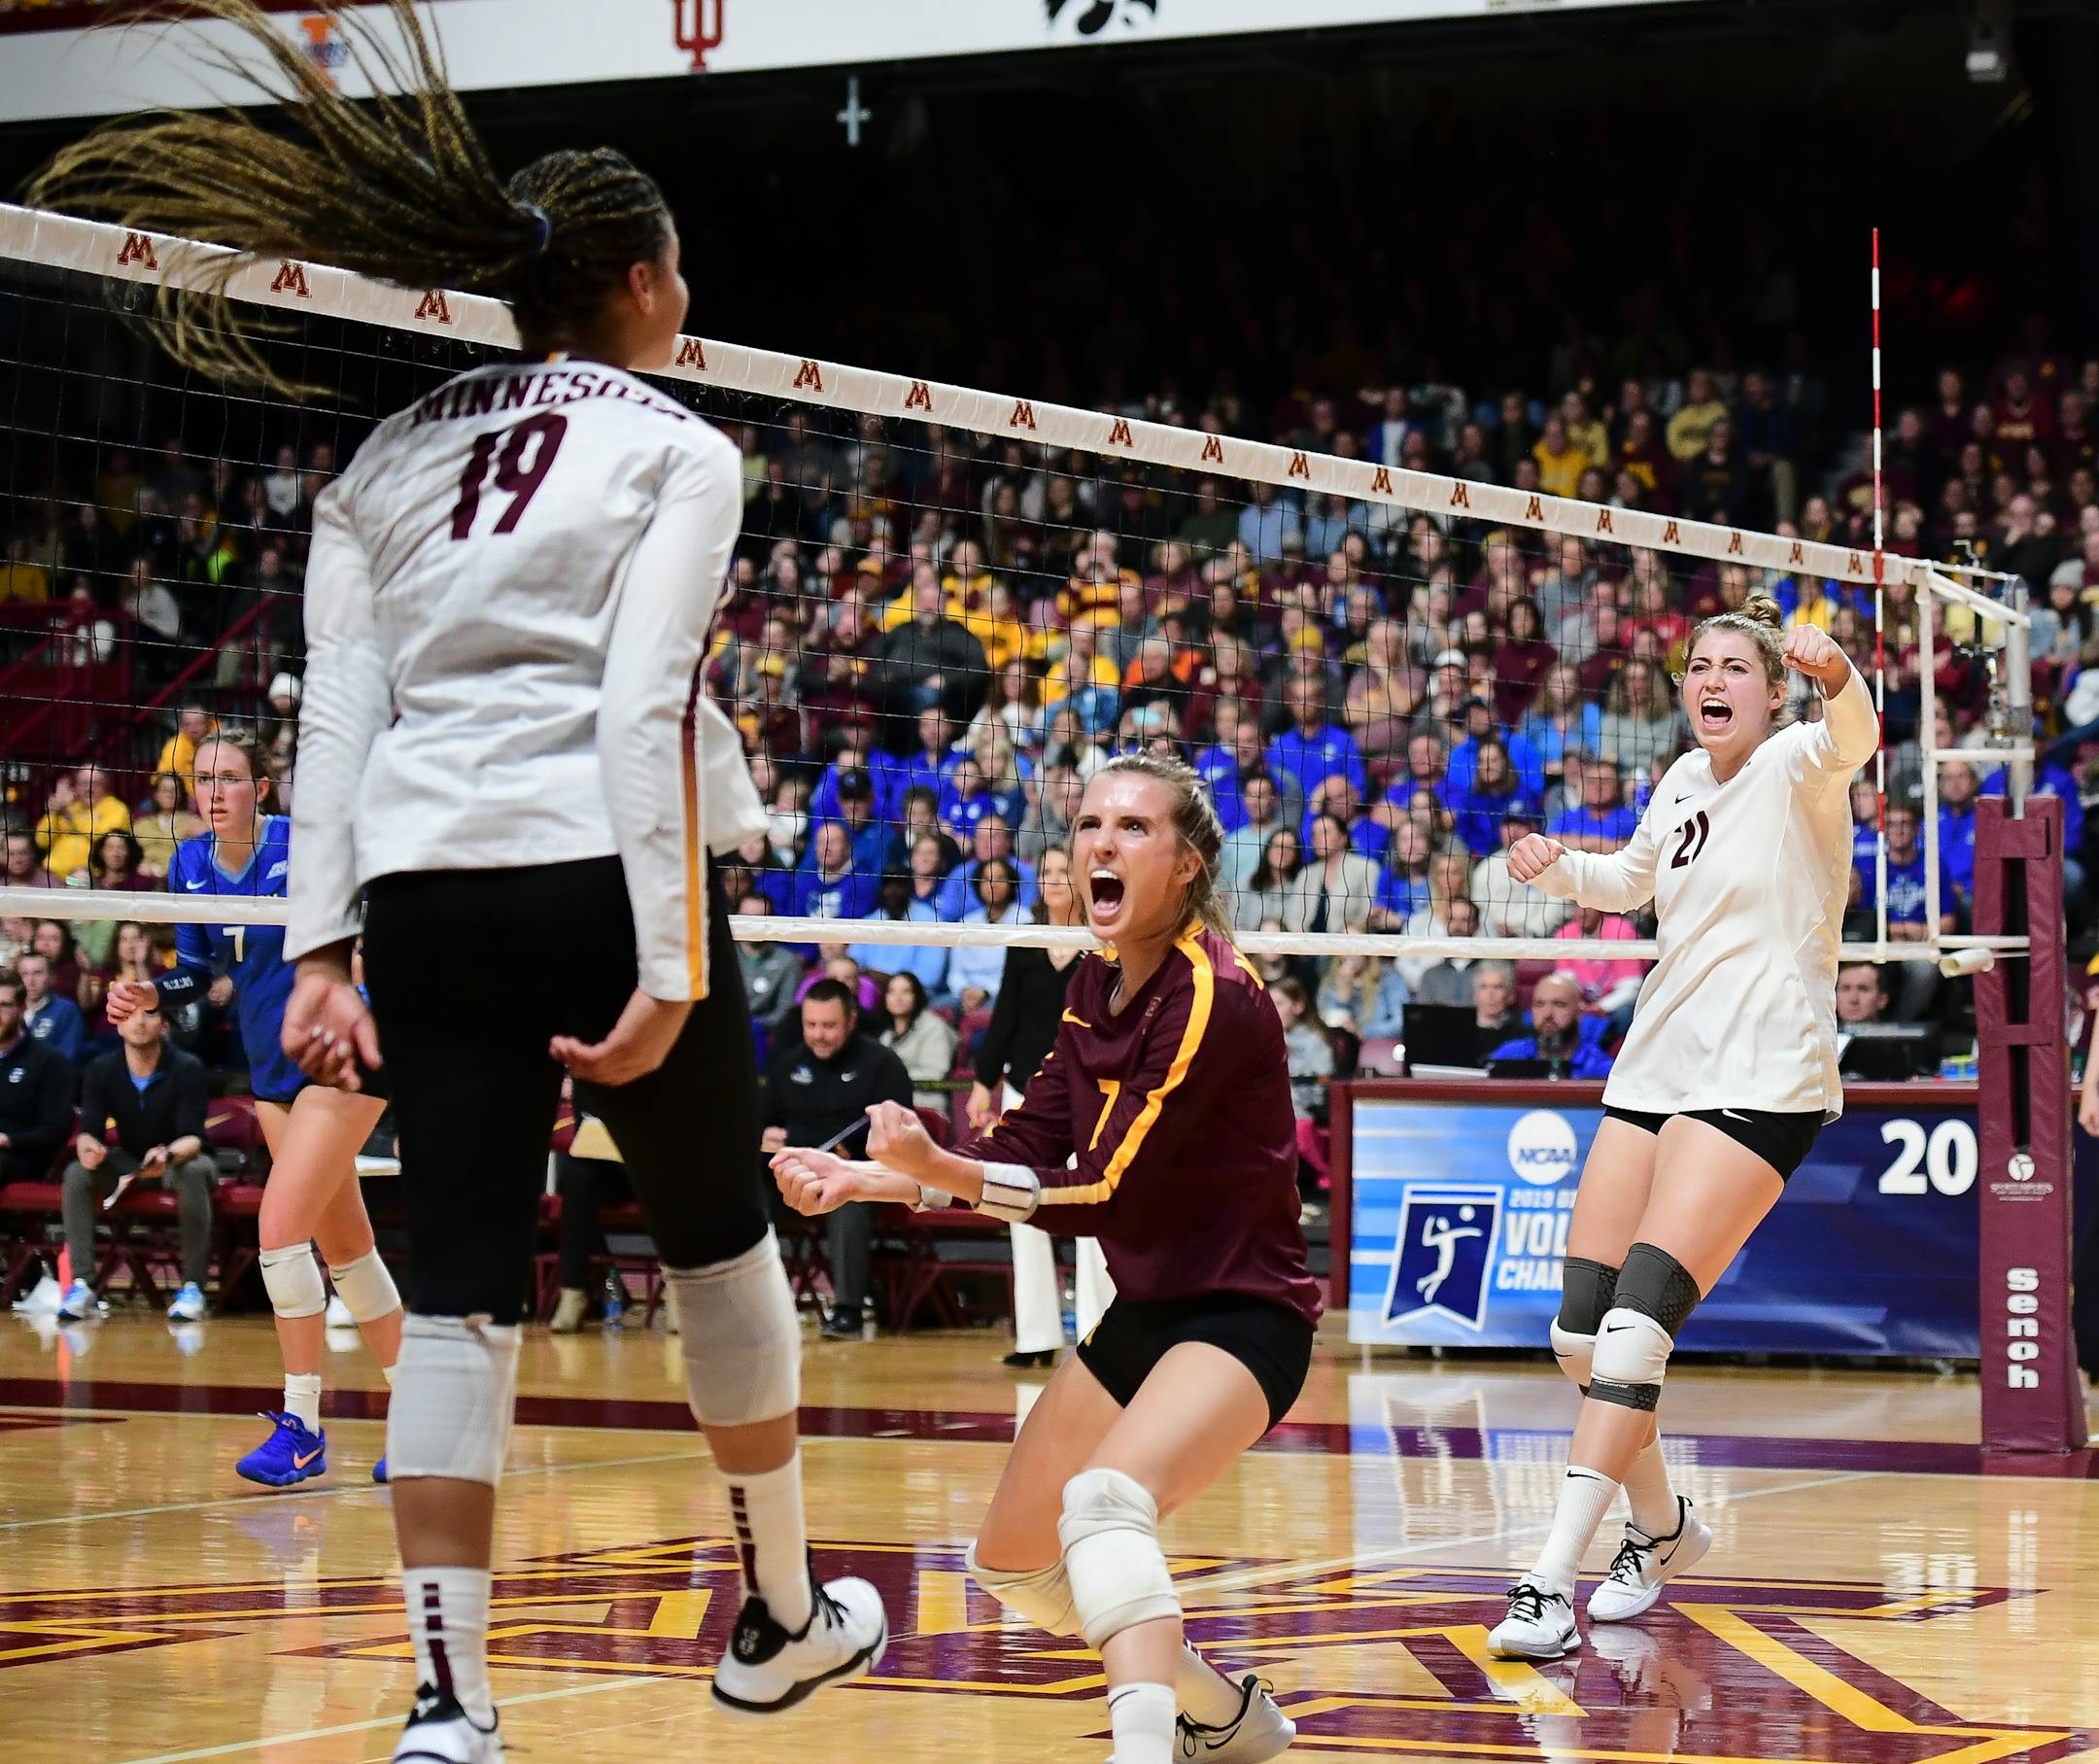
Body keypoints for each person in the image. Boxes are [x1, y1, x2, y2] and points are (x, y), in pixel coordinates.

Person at [39, 8, 886, 1747]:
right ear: (644, 286)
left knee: (464, 1297)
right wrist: (667, 963)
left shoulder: (390, 457)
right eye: (679, 268)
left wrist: (317, 951)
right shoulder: (679, 445)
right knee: (722, 1256)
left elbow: (338, 707)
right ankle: (782, 1616)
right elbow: (643, 704)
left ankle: (448, 1707)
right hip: (600, 876)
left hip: (425, 893)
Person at [773, 754, 1317, 1764]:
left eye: (1134, 828)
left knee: (1105, 1504)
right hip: (1146, 1314)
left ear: (1188, 866)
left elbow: (1105, 1189)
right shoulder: (1091, 981)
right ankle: (1229, 1720)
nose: (1101, 843)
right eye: (1090, 825)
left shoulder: (1214, 998)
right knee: (1014, 1562)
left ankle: (1143, 1750)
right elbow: (1025, 1149)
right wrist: (869, 1179)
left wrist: (933, 1163)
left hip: (1244, 1319)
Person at [1488, 597, 1875, 1659]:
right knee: (1579, 1328)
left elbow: (1860, 735)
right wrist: (1558, 867)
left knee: (1637, 1323)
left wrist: (1836, 671)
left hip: (1762, 1070)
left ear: (1771, 687)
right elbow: (1632, 882)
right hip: (1658, 1063)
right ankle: (1661, 1526)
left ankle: (1544, 1581)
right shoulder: (1682, 780)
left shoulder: (1801, 759)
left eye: (1733, 667)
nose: (1710, 679)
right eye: (1698, 665)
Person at [105, 733, 401, 1487]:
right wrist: (149, 994)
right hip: (273, 1072)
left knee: (278, 1228)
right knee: (348, 1250)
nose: (213, 790)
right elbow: (197, 977)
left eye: (229, 777)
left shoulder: (305, 847)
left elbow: (370, 934)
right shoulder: (190, 863)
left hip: (341, 1057)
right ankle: (427, 1417)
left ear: (260, 789)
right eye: (202, 777)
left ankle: (300, 1423)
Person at [968, 846, 1117, 1368]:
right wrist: (983, 1083)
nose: (1053, 880)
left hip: (1088, 1096)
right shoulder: (1026, 941)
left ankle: (1100, 1334)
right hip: (1025, 1091)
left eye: (1063, 872)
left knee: (1089, 1209)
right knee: (1019, 1208)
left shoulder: (1103, 946)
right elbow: (1004, 1014)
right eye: (1047, 872)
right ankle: (1035, 1336)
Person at [761, 980, 913, 1340]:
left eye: (829, 1026)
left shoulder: (882, 1063)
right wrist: (762, 1137)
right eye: (811, 1025)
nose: (819, 1035)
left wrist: (855, 1153)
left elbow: (901, 1131)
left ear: (851, 1020)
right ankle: (749, 1309)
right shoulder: (786, 1064)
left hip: (861, 1175)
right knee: (745, 1195)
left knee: (848, 1199)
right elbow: (762, 1123)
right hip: (793, 1173)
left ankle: (848, 1310)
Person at [59, 988, 213, 1324]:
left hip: (179, 1159)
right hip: (130, 1161)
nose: (139, 1022)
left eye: (149, 1014)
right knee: (76, 1174)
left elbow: (194, 1138)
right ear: (117, 1025)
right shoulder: (101, 1068)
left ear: (165, 1026)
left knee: (194, 1171)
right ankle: (83, 1284)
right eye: (129, 1015)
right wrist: (88, 1148)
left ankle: (193, 1287)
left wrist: (167, 1154)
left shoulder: (187, 1067)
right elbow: (90, 1129)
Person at [0, 967, 74, 1183]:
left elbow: (55, 1131)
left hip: (23, 1157)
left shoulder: (49, 1061)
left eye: (4, 1006)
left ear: (22, 1008)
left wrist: (8, 1140)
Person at [1486, 973, 1615, 1077]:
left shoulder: (1600, 1068)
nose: (1547, 1014)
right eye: (1540, 1004)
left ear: (1579, 1013)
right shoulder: (1508, 1055)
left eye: (1559, 1004)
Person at [878, 971, 959, 1111]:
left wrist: (892, 1075)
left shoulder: (934, 1026)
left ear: (917, 996)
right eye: (891, 992)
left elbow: (935, 1076)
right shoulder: (886, 1035)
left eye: (906, 991)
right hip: (892, 1099)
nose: (898, 998)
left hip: (927, 1100)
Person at [17, 951, 86, 1063]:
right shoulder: (8, 1008)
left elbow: (67, 1057)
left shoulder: (66, 1010)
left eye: (37, 973)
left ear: (51, 977)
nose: (30, 981)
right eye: (24, 974)